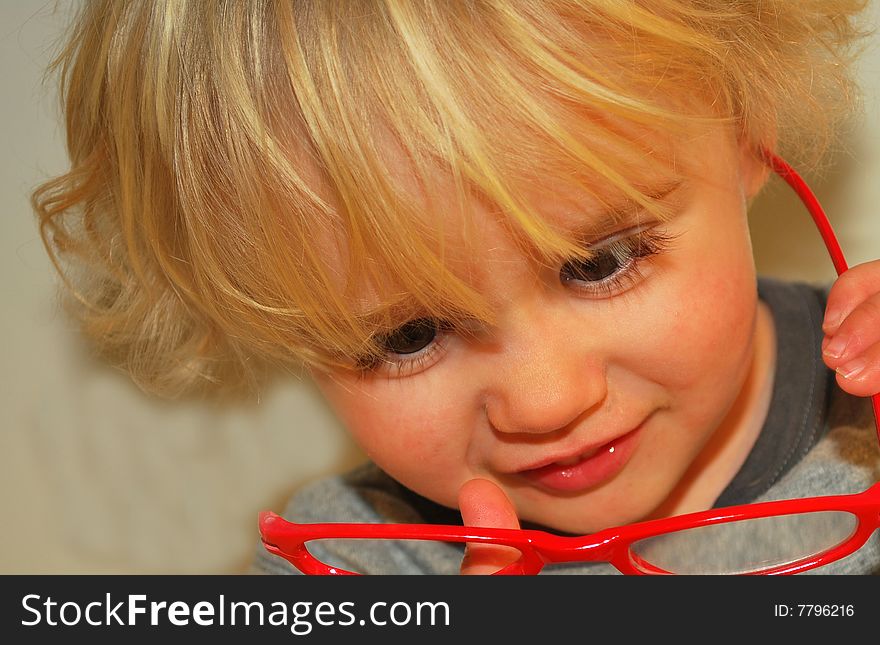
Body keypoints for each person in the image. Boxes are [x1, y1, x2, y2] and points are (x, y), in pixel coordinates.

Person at [32, 0, 880, 575]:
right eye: (408, 335)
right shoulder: (346, 566)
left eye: (600, 263)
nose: (544, 402)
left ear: (744, 133)